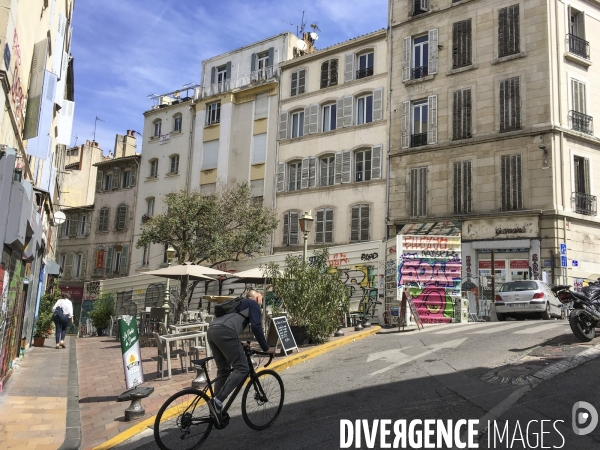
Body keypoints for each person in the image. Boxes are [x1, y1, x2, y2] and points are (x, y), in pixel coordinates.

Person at [206, 289, 275, 425]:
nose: (261, 303)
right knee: (242, 368)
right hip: (225, 331)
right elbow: (256, 326)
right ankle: (217, 402)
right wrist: (266, 348)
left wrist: (239, 343)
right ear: (256, 298)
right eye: (261, 299)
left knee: (223, 369)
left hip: (212, 330)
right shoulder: (253, 304)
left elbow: (231, 322)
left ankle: (215, 409)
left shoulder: (238, 303)